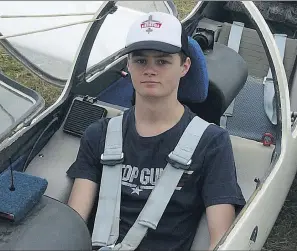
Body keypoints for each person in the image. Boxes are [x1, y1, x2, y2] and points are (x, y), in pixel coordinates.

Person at [66, 12, 245, 251]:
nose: (150, 70)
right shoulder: (98, 134)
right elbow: (73, 223)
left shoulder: (212, 142)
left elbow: (222, 240)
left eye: (162, 61)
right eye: (140, 61)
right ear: (128, 66)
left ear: (185, 66)